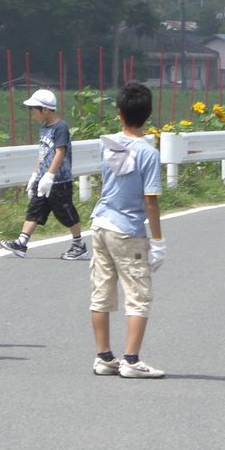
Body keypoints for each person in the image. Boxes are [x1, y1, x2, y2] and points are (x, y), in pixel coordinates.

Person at [89, 82, 166, 378]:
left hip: (100, 224)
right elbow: (151, 202)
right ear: (148, 114)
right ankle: (131, 360)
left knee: (102, 291)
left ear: (119, 113)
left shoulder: (106, 144)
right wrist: (157, 241)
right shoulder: (148, 153)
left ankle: (104, 356)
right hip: (127, 230)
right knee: (138, 294)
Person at [0, 89, 87, 261]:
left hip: (59, 180)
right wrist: (35, 175)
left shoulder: (60, 127)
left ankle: (79, 245)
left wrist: (50, 175)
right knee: (35, 209)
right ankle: (21, 242)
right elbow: (43, 153)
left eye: (33, 109)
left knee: (65, 212)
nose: (31, 113)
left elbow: (60, 152)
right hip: (44, 178)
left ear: (45, 109)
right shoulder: (44, 128)